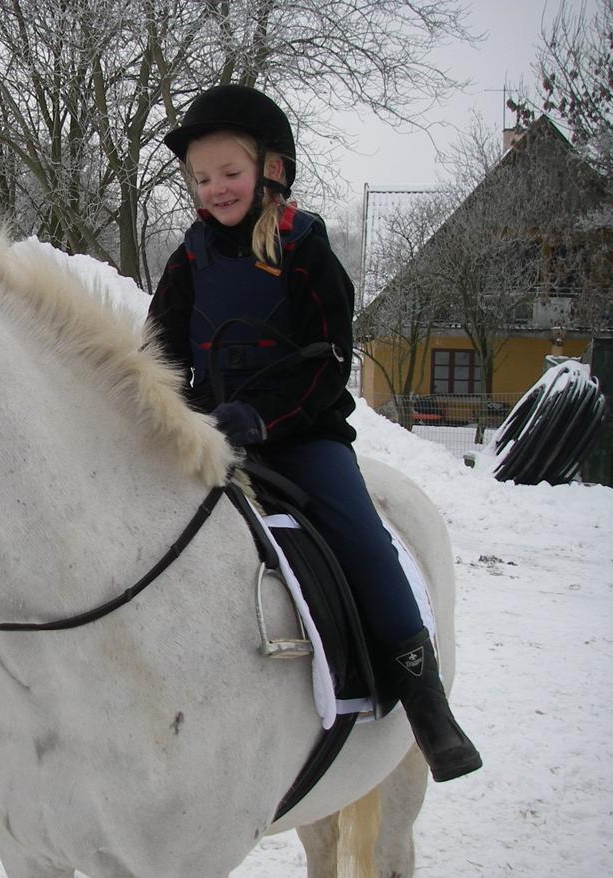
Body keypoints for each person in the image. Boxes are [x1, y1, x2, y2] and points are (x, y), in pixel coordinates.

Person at [149, 84, 481, 782]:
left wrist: (263, 415)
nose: (214, 189)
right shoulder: (187, 261)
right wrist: (170, 410)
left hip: (301, 437)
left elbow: (331, 358)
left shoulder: (305, 248)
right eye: (201, 178)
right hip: (208, 438)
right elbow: (157, 352)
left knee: (361, 537)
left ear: (273, 170)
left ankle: (424, 697)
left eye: (229, 174)